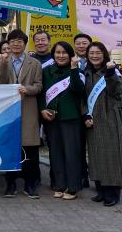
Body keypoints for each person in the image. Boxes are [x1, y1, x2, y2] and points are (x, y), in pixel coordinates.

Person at [0, 29, 43, 199]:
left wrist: (27, 89)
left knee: (29, 149)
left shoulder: (35, 63)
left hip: (28, 108)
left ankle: (30, 185)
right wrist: (1, 64)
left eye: (19, 41)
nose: (16, 44)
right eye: (13, 41)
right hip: (8, 111)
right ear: (8, 44)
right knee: (10, 148)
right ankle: (11, 184)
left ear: (25, 43)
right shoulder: (4, 61)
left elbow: (38, 86)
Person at [83, 42, 122, 207]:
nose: (94, 56)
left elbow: (116, 91)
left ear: (104, 54)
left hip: (110, 118)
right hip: (92, 120)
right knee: (96, 156)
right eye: (91, 53)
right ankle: (101, 190)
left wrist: (110, 73)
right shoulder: (87, 73)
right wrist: (85, 115)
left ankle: (113, 193)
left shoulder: (111, 71)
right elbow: (83, 98)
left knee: (111, 156)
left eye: (98, 53)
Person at [38, 41, 84, 200]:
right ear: (53, 54)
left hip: (70, 117)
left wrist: (74, 69)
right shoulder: (46, 71)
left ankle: (73, 187)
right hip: (51, 118)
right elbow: (41, 92)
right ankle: (60, 184)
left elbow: (78, 89)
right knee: (55, 153)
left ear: (70, 54)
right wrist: (42, 109)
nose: (61, 55)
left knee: (72, 153)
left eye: (64, 52)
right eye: (58, 52)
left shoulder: (76, 71)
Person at [73, 32, 93, 188]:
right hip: (75, 110)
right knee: (78, 146)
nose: (81, 46)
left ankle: (99, 176)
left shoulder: (97, 62)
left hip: (94, 110)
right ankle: (81, 175)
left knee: (95, 145)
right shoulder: (70, 62)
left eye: (84, 43)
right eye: (78, 43)